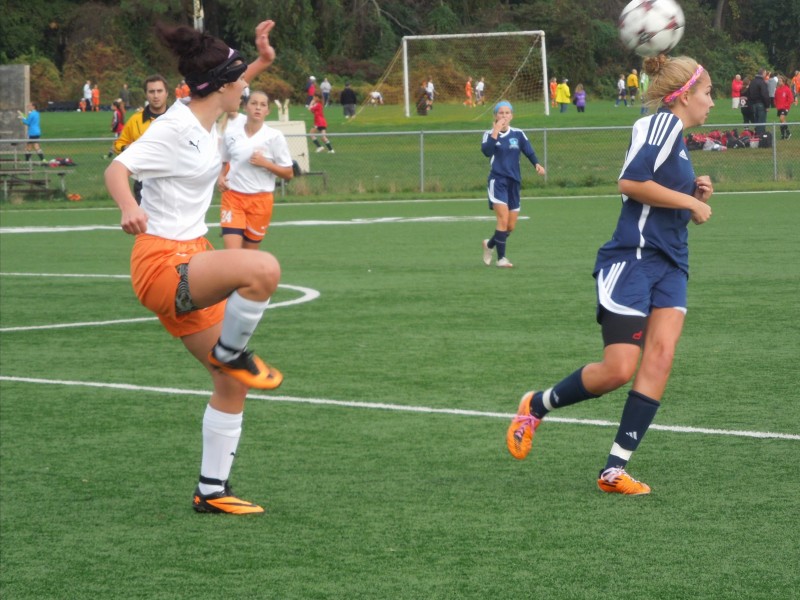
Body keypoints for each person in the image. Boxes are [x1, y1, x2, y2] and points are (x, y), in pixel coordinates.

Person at [506, 54, 714, 496]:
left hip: (672, 262)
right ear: (685, 96)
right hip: (633, 261)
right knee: (620, 369)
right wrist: (691, 203)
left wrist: (692, 196)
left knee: (661, 357)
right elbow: (630, 182)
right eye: (708, 94)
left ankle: (614, 469)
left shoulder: (676, 138)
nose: (713, 103)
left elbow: (660, 201)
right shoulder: (660, 126)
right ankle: (536, 405)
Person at [105, 19, 283, 515]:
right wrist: (127, 206)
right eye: (241, 81)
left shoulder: (208, 114)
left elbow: (228, 77)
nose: (246, 88)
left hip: (192, 254)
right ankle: (233, 351)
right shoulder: (175, 128)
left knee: (229, 383)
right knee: (262, 269)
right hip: (162, 261)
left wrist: (262, 59)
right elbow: (116, 169)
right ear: (223, 88)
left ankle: (211, 491)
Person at [218, 90, 293, 250]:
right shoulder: (230, 134)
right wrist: (220, 177)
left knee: (248, 256)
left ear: (267, 111)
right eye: (253, 103)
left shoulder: (274, 137)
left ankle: (242, 275)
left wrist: (266, 164)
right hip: (233, 197)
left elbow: (288, 173)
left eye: (262, 105)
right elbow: (224, 162)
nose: (258, 108)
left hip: (261, 201)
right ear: (245, 107)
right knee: (232, 254)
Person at [481, 101, 546, 268]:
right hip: (497, 181)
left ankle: (489, 245)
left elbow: (528, 150)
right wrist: (495, 131)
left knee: (510, 225)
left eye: (507, 113)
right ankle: (501, 259)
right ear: (495, 116)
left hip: (514, 182)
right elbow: (487, 151)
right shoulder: (489, 134)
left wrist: (536, 164)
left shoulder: (518, 134)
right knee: (502, 219)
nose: (504, 116)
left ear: (512, 116)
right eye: (500, 113)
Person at [113, 74, 170, 204]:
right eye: (151, 92)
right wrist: (126, 149)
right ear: (146, 94)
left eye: (159, 91)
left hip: (173, 181)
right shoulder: (136, 120)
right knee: (144, 223)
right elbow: (119, 143)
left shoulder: (179, 119)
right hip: (144, 182)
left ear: (166, 93)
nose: (156, 96)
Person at [748, 69, 770, 136]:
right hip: (761, 104)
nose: (765, 75)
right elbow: (765, 95)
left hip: (753, 104)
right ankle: (761, 137)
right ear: (763, 74)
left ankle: (757, 135)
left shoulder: (752, 82)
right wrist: (767, 105)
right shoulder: (762, 82)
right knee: (762, 121)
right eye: (765, 73)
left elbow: (749, 94)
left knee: (757, 121)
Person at [774, 75, 794, 140]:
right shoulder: (777, 89)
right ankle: (783, 135)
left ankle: (788, 133)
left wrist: (786, 105)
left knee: (782, 118)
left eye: (780, 81)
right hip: (779, 107)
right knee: (781, 120)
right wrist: (776, 104)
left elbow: (791, 99)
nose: (779, 82)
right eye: (778, 81)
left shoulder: (787, 89)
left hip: (785, 107)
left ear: (783, 82)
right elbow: (775, 98)